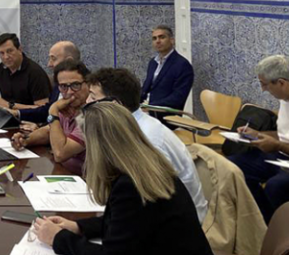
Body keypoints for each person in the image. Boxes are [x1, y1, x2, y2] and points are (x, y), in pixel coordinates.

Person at [34, 102, 221, 255]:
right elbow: (127, 222)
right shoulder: (148, 166)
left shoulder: (131, 187)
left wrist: (59, 238)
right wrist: (79, 227)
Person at [85, 67, 208, 223]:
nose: (87, 101)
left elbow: (149, 206)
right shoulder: (130, 128)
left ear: (114, 104)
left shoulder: (148, 140)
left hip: (177, 228)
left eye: (93, 96)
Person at [231, 55, 289, 222]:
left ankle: (279, 231)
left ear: (281, 83)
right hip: (283, 157)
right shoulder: (285, 96)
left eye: (264, 84)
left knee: (276, 186)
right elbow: (288, 135)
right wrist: (257, 134)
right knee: (234, 167)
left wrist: (277, 145)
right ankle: (261, 222)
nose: (263, 89)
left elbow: (284, 143)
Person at [11, 60, 90, 175]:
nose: (69, 92)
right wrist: (25, 139)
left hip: (85, 182)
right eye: (63, 86)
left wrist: (53, 111)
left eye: (75, 85)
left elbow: (60, 154)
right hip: (64, 173)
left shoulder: (93, 115)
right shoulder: (68, 107)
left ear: (88, 84)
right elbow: (49, 131)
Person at [14, 41, 80, 123]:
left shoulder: (87, 86)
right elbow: (47, 111)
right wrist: (17, 113)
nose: (49, 64)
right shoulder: (58, 83)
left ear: (69, 61)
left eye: (53, 59)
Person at [140, 25, 194, 112]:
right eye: (154, 38)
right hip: (145, 110)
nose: (158, 41)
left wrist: (151, 107)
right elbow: (145, 89)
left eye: (162, 37)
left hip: (164, 115)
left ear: (172, 40)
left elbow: (177, 98)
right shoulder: (153, 63)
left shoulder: (182, 65)